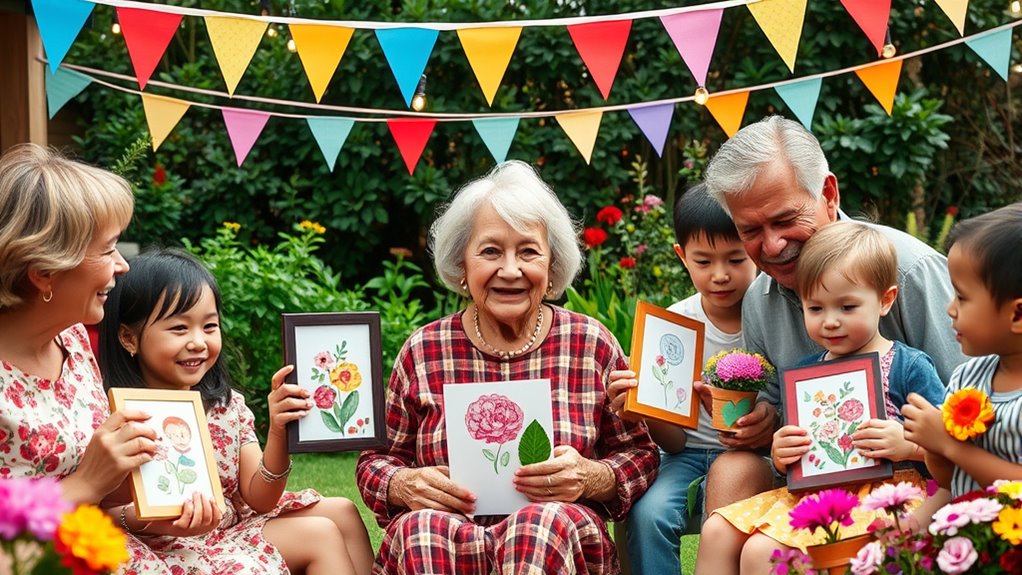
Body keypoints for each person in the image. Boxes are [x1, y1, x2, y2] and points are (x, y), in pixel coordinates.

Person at [356, 160, 659, 574]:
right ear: (462, 265)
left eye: (528, 251)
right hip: (446, 536)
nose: (511, 270)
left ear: (551, 268)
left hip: (553, 537)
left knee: (540, 523)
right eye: (491, 251)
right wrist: (403, 484)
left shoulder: (591, 343)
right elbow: (376, 459)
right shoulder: (422, 350)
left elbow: (639, 454)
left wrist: (591, 476)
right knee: (421, 528)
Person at [700, 115, 965, 509]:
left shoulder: (910, 271)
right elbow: (775, 411)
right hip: (817, 485)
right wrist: (761, 424)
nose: (772, 246)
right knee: (731, 468)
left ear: (828, 193)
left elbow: (975, 400)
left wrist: (912, 443)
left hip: (923, 480)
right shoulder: (759, 297)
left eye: (785, 220)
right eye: (750, 230)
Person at [98, 248, 373, 575]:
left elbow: (260, 498)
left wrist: (278, 433)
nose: (198, 341)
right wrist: (146, 516)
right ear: (129, 337)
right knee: (320, 534)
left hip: (227, 528)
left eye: (209, 326)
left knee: (342, 511)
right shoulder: (120, 415)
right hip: (162, 545)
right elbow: (103, 511)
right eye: (179, 328)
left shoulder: (226, 406)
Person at [695, 221, 946, 575]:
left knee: (759, 552)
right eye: (816, 309)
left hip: (891, 495)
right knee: (718, 530)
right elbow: (797, 457)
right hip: (817, 497)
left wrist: (907, 444)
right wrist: (782, 455)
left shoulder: (907, 366)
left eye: (847, 307)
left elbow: (952, 445)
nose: (830, 322)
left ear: (885, 300)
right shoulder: (806, 374)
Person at [0, 145, 170, 559]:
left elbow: (98, 495)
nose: (123, 266)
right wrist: (86, 484)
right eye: (108, 249)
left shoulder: (73, 338)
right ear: (44, 272)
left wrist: (156, 497)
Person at [605, 183, 759, 574]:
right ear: (682, 257)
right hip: (684, 456)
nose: (720, 275)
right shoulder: (673, 327)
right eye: (704, 262)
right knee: (648, 514)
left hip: (753, 456)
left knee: (731, 524)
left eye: (735, 259)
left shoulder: (770, 318)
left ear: (754, 251)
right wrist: (642, 407)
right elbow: (672, 441)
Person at [903, 203, 1022, 498]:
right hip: (967, 541)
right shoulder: (967, 377)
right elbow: (948, 481)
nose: (950, 308)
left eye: (962, 297)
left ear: (1017, 315)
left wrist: (949, 445)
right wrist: (935, 448)